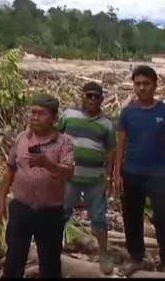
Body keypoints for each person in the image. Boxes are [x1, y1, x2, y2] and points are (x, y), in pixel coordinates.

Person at [112, 65, 165, 277]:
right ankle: (136, 258)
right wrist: (116, 174)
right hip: (131, 173)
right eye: (138, 84)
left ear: (155, 85)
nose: (141, 88)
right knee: (131, 217)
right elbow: (120, 144)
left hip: (159, 174)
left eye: (146, 84)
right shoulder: (127, 113)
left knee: (163, 217)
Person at [0, 93, 75, 278]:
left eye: (41, 113)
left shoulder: (64, 143)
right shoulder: (22, 138)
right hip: (21, 208)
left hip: (50, 212)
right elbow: (10, 169)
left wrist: (47, 164)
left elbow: (69, 172)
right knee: (14, 258)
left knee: (50, 262)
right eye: (33, 112)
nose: (35, 117)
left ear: (54, 118)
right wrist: (0, 197)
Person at [59, 82, 116, 274]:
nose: (92, 100)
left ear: (101, 99)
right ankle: (52, 248)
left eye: (96, 97)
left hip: (95, 180)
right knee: (61, 213)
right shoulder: (68, 116)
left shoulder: (106, 125)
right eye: (89, 96)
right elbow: (57, 139)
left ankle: (104, 255)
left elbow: (110, 152)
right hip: (69, 177)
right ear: (82, 96)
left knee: (99, 218)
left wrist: (109, 176)